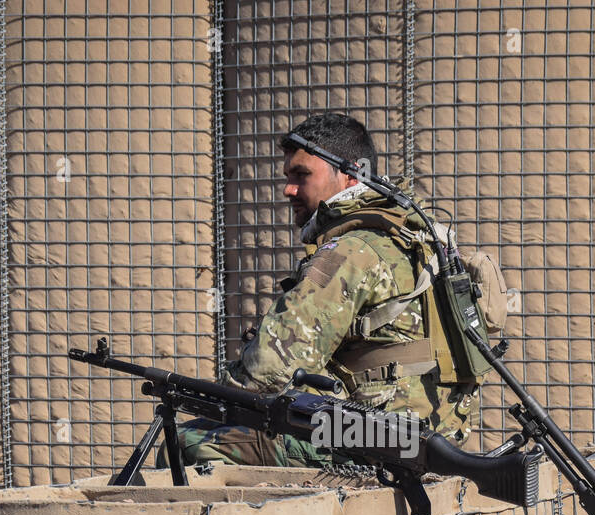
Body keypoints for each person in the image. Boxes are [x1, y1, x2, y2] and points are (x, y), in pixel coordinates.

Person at [171, 112, 480, 467]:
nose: (288, 189)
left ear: (352, 173)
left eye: (302, 175)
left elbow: (268, 370)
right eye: (287, 176)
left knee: (185, 441)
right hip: (433, 431)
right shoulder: (415, 236)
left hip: (381, 440)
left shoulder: (351, 251)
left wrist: (207, 397)